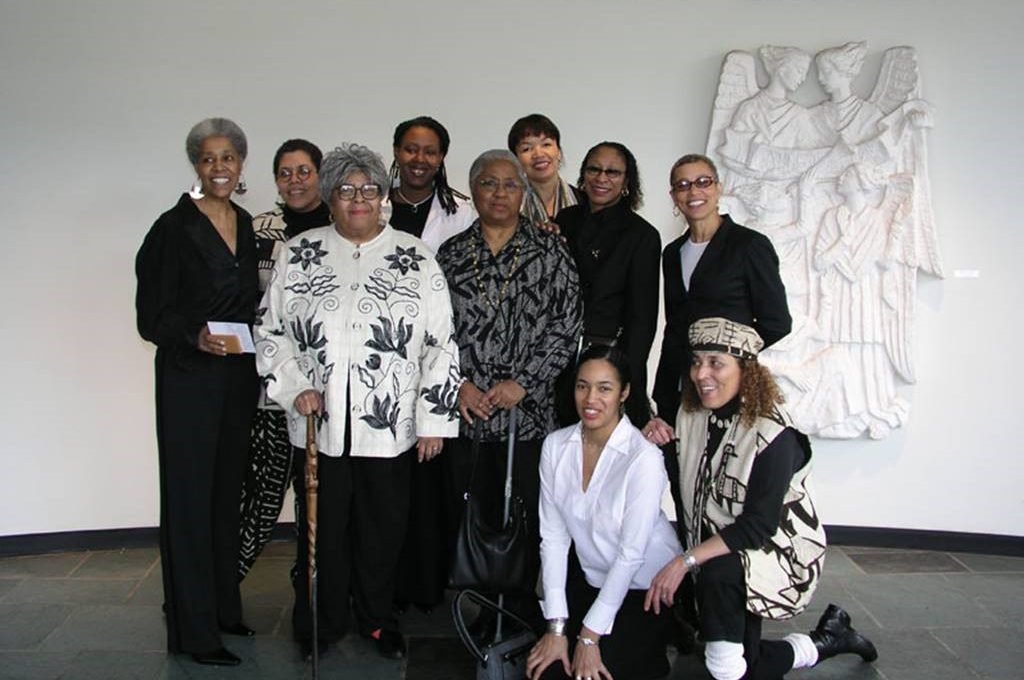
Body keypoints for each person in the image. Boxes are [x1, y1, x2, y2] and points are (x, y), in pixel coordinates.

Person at [255, 143, 461, 661]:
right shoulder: (298, 254)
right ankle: (321, 618)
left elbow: (441, 342)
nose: (358, 200)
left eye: (369, 189)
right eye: (346, 191)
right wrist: (294, 384)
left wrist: (434, 419)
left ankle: (374, 618)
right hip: (318, 423)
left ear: (383, 196)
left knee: (382, 530)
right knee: (321, 530)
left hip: (388, 426)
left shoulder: (414, 257)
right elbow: (271, 329)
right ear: (329, 198)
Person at [645, 317, 877, 680]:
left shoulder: (774, 432)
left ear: (746, 370)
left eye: (716, 363)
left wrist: (684, 562)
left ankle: (738, 661)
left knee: (719, 580)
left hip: (773, 550)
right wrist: (657, 441)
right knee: (741, 660)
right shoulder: (693, 416)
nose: (700, 373)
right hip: (720, 548)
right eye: (696, 361)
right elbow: (686, 485)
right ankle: (827, 640)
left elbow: (758, 526)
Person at [436, 149, 581, 628]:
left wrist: (526, 381)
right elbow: (431, 332)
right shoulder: (451, 255)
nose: (499, 193)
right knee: (471, 508)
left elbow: (568, 325)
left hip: (530, 413)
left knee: (528, 512)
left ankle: (518, 604)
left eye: (510, 184)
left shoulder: (550, 249)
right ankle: (480, 599)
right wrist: (459, 386)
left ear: (524, 192)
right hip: (468, 413)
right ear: (472, 190)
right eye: (488, 183)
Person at [135, 117, 259, 667]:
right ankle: (193, 631)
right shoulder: (171, 228)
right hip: (189, 379)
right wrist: (195, 335)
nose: (219, 168)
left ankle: (222, 609)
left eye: (228, 157)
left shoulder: (247, 223)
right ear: (195, 165)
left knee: (224, 496)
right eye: (208, 158)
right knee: (188, 501)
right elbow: (149, 316)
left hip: (236, 379)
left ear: (240, 163)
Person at [527, 346, 681, 680]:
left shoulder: (643, 458)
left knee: (595, 673)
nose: (590, 398)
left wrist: (589, 635)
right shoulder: (555, 446)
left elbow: (631, 555)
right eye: (582, 386)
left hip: (645, 588)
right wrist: (556, 629)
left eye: (604, 388)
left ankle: (652, 654)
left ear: (624, 392)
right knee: (547, 671)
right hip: (591, 579)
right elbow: (553, 538)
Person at [646, 153, 791, 447]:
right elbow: (674, 327)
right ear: (673, 196)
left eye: (703, 182)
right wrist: (662, 395)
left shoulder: (749, 245)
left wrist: (728, 358)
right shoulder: (672, 254)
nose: (693, 191)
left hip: (731, 387)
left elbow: (777, 322)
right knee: (684, 479)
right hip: (680, 387)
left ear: (718, 188)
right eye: (683, 185)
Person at [238, 138, 332, 579]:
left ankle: (310, 591)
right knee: (263, 494)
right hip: (272, 392)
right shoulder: (258, 229)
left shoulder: (344, 224)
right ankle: (222, 589)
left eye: (304, 171)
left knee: (320, 502)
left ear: (320, 174)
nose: (295, 181)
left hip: (330, 395)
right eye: (285, 173)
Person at [554, 141, 660, 427]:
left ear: (627, 181)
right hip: (556, 361)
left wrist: (628, 380)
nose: (602, 178)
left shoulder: (642, 235)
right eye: (594, 169)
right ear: (583, 175)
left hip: (607, 364)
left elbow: (642, 320)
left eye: (613, 172)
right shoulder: (565, 220)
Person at [385, 115, 476, 252]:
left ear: (441, 157)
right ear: (396, 152)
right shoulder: (374, 208)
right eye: (411, 150)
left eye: (430, 152)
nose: (419, 159)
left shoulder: (462, 214)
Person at [507, 113, 584, 228]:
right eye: (526, 148)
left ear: (558, 152)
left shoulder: (584, 202)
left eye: (546, 144)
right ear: (516, 160)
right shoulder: (508, 207)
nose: (538, 154)